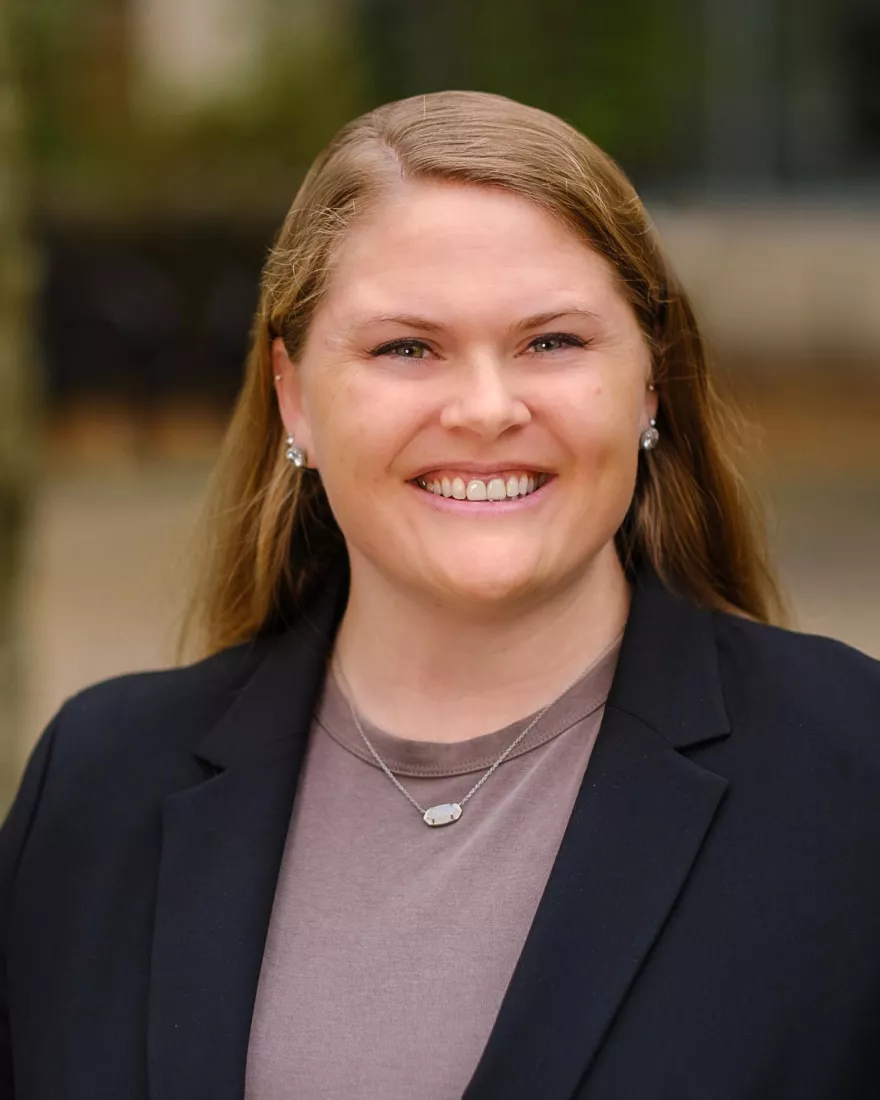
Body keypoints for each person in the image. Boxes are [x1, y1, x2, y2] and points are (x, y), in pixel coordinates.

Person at [1, 90, 879, 1100]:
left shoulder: (853, 776)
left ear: (649, 385)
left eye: (551, 341)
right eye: (405, 348)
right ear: (295, 398)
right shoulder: (97, 785)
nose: (485, 408)